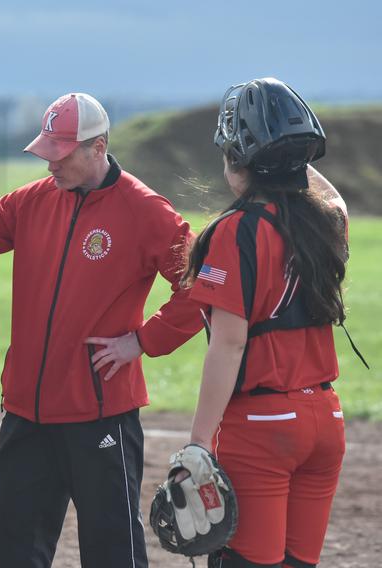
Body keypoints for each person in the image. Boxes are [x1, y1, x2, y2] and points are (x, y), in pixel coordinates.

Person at [0, 93, 204, 567]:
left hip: (100, 411)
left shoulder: (146, 210)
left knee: (112, 549)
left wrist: (143, 341)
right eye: (46, 150)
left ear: (98, 147)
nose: (50, 163)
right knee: (11, 547)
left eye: (61, 153)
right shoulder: (32, 200)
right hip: (26, 412)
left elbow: (198, 286)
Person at [179, 78, 348, 567]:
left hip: (264, 425)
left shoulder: (237, 230)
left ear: (237, 161)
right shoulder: (327, 222)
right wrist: (294, 163)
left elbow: (227, 346)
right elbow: (334, 198)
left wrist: (197, 446)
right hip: (326, 421)